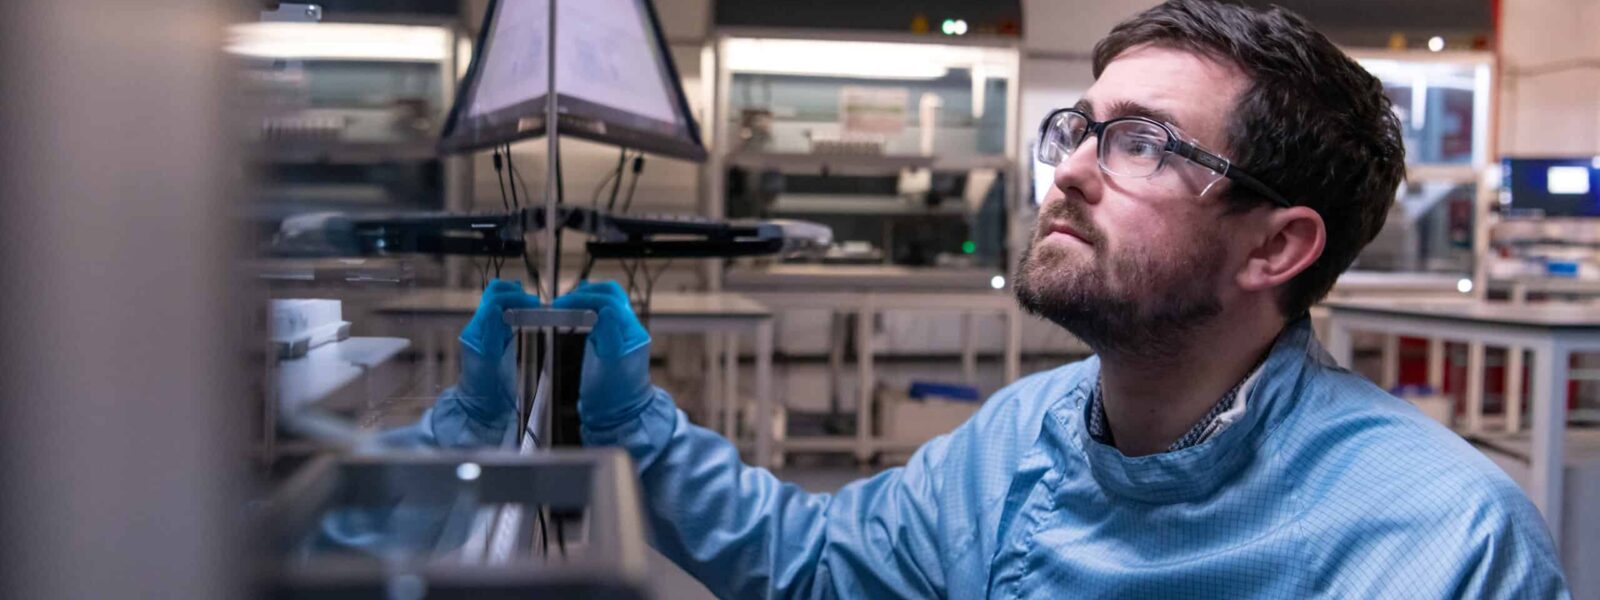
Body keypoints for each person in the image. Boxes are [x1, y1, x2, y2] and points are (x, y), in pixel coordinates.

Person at [547, 1, 1570, 598]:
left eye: (1141, 145)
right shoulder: (1018, 440)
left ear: (1275, 247)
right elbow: (817, 567)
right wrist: (631, 425)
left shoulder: (1439, 540)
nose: (1069, 173)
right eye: (1077, 131)